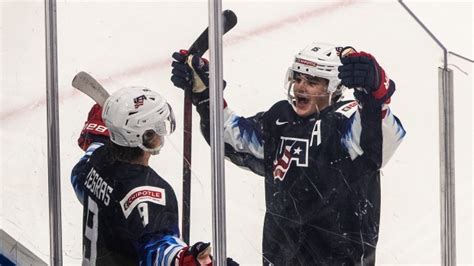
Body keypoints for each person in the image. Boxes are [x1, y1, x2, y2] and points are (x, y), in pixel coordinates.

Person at [170, 43, 406, 265]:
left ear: (334, 87)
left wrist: (374, 94)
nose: (301, 86)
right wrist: (205, 94)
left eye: (313, 81)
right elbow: (233, 138)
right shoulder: (280, 120)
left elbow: (378, 143)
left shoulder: (345, 121)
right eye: (298, 78)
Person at [71, 86, 213, 266]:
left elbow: (79, 174)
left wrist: (96, 137)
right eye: (159, 127)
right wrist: (182, 260)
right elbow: (155, 247)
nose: (162, 133)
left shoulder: (98, 159)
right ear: (146, 137)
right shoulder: (148, 191)